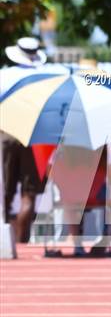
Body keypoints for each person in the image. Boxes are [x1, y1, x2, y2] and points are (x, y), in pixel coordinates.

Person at [2, 37, 48, 242]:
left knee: (6, 192)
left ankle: (6, 244)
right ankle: (23, 243)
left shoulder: (5, 76)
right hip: (34, 136)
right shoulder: (45, 79)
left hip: (7, 133)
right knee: (29, 195)